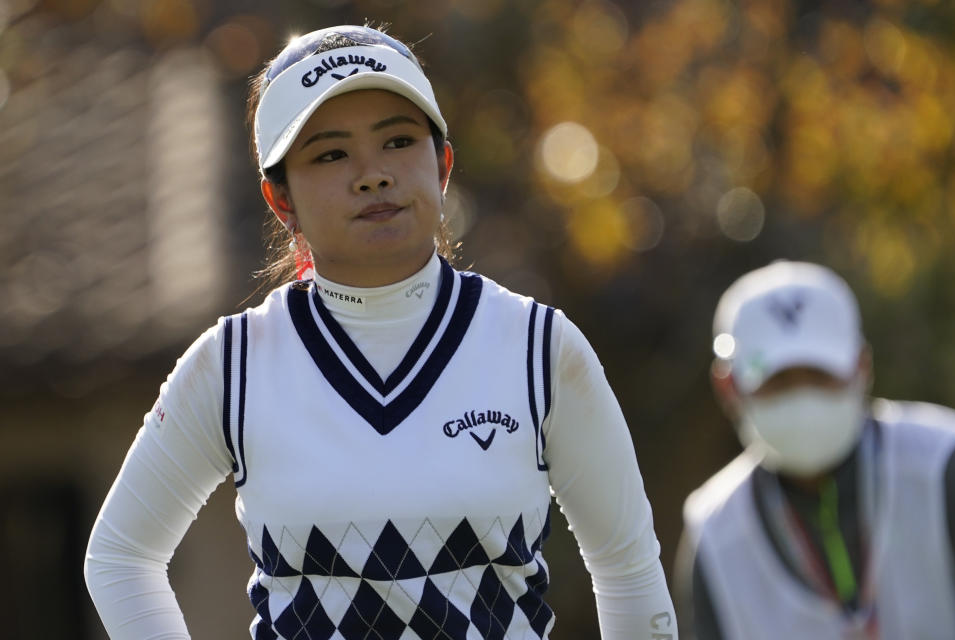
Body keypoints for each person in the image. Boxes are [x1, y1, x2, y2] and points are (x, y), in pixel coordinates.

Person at [83, 25, 677, 640]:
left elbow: (628, 569)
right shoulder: (232, 365)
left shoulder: (539, 348)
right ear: (279, 198)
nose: (372, 175)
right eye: (330, 154)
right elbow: (121, 558)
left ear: (442, 164)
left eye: (397, 141)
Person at [673, 260, 955, 639]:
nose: (802, 394)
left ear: (861, 367)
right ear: (728, 387)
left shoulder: (945, 464)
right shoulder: (713, 534)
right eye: (777, 380)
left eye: (820, 374)